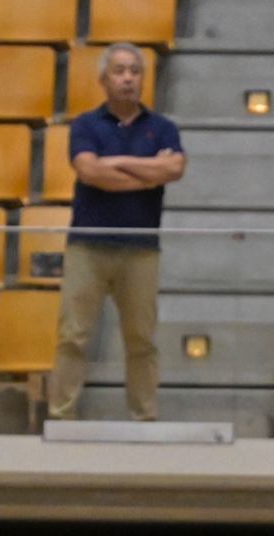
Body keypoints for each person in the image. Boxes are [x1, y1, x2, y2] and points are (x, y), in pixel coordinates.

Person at [47, 42, 186, 423]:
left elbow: (174, 169)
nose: (128, 78)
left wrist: (119, 162)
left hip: (141, 249)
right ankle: (61, 416)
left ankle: (144, 416)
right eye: (119, 71)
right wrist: (148, 174)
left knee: (141, 340)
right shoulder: (85, 125)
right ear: (103, 80)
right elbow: (90, 172)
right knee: (73, 336)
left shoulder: (163, 128)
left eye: (135, 71)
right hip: (88, 246)